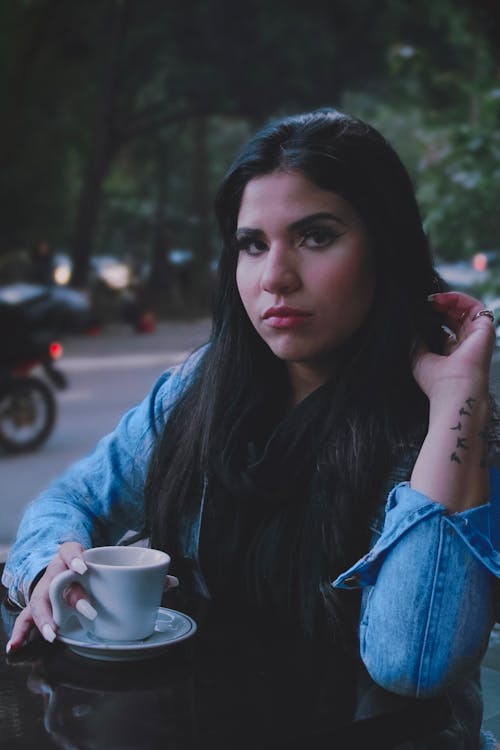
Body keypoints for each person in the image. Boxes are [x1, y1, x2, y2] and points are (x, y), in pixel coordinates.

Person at [3, 109, 500, 748]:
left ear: (386, 246)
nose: (274, 278)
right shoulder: (205, 389)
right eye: (252, 245)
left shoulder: (440, 422)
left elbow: (416, 662)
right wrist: (48, 567)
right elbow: (71, 500)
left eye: (316, 237)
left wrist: (458, 398)